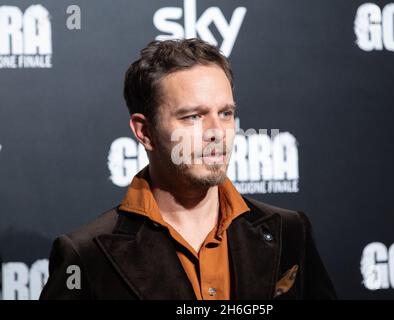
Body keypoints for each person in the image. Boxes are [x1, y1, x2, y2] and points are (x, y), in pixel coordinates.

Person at [40, 38, 336, 300]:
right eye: (193, 116)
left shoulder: (290, 231)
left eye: (226, 113)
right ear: (145, 132)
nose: (216, 132)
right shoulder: (86, 255)